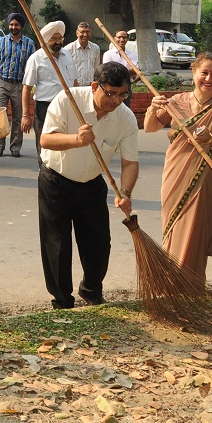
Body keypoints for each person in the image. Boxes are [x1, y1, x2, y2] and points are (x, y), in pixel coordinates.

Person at [38, 62, 138, 309]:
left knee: (99, 243)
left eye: (122, 94)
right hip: (56, 181)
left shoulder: (125, 118)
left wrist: (125, 192)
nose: (116, 101)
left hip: (92, 183)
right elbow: (46, 139)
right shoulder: (66, 100)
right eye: (111, 94)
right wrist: (77, 139)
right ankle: (62, 300)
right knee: (57, 245)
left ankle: (91, 290)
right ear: (95, 86)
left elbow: (130, 163)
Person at [144, 52, 212, 288]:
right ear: (193, 73)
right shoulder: (176, 102)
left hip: (207, 179)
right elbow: (149, 128)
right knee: (174, 227)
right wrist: (152, 108)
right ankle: (169, 284)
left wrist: (211, 139)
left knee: (197, 231)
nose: (209, 78)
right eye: (204, 73)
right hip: (175, 174)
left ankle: (191, 287)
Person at [22, 22, 78, 167]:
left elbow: (75, 81)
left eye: (60, 38)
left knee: (65, 141)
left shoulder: (67, 55)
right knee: (45, 142)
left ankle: (63, 171)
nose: (58, 41)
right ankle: (45, 171)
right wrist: (25, 115)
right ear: (46, 40)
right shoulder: (36, 58)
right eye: (53, 38)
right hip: (45, 107)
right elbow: (27, 88)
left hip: (67, 105)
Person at [0, 13, 36, 157]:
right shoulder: (1, 42)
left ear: (21, 26)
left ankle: (15, 147)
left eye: (16, 25)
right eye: (11, 24)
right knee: (0, 116)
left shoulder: (29, 44)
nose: (13, 27)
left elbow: (32, 65)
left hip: (20, 85)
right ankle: (0, 145)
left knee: (18, 117)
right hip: (3, 83)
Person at [102, 29, 141, 108]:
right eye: (119, 37)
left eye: (124, 37)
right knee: (111, 108)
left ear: (127, 39)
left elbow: (135, 70)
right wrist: (126, 71)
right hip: (112, 86)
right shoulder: (108, 54)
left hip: (126, 86)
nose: (122, 40)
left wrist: (117, 72)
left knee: (126, 108)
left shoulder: (132, 55)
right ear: (114, 38)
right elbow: (108, 72)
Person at [64, 21, 102, 87]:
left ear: (91, 33)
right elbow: (65, 70)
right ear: (77, 33)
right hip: (74, 87)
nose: (85, 35)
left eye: (87, 32)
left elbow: (96, 68)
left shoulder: (95, 48)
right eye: (82, 32)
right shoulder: (68, 49)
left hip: (90, 86)